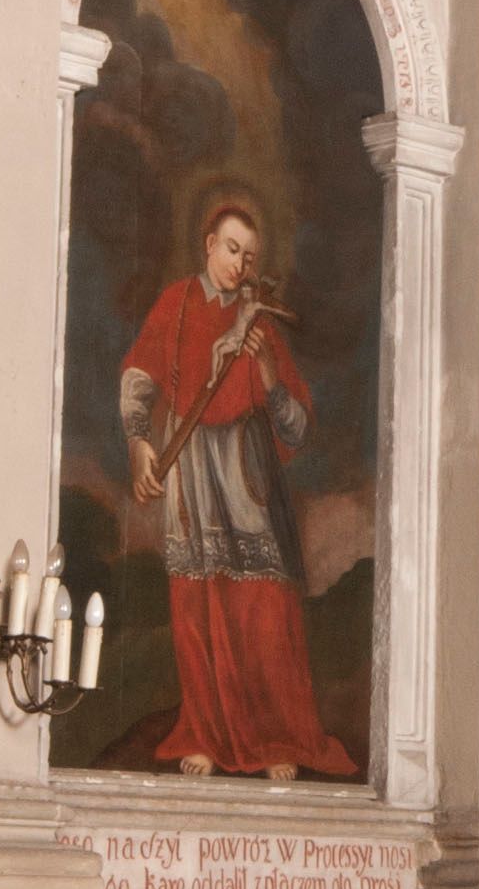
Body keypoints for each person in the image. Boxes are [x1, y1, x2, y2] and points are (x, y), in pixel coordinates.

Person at [120, 202, 357, 783]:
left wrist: (268, 368)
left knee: (263, 609)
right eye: (232, 249)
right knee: (197, 602)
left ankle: (276, 736)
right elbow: (139, 379)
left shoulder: (261, 325)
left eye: (249, 256)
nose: (239, 264)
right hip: (191, 471)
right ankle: (204, 733)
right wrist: (139, 442)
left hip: (247, 476)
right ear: (208, 244)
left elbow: (295, 428)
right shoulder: (176, 304)